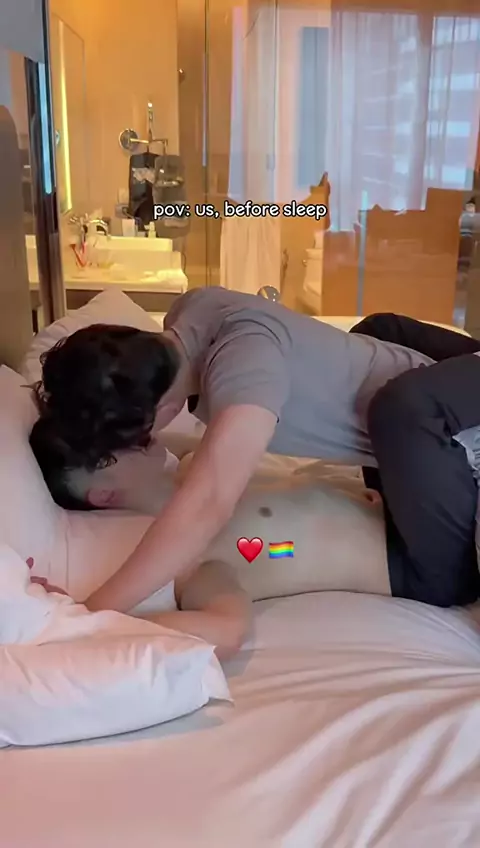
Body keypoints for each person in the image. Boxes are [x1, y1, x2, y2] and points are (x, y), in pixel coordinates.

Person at [31, 289, 480, 613]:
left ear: (161, 409)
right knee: (376, 334)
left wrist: (92, 612)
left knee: (401, 406)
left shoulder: (244, 378)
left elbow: (209, 501)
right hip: (425, 473)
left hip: (458, 461)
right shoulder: (192, 311)